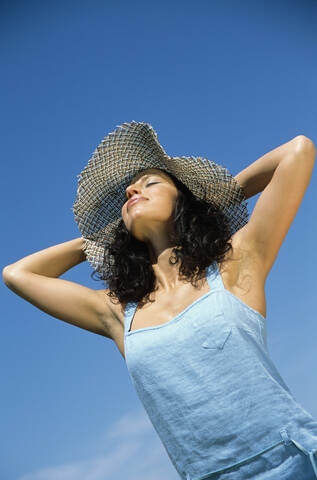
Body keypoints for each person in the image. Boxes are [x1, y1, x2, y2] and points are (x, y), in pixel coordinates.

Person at [3, 121, 317, 479]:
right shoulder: (119, 312)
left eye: (151, 183)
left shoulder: (235, 267)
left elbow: (298, 150)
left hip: (293, 461)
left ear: (183, 201)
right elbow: (17, 274)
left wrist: (206, 201)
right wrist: (100, 236)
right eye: (128, 194)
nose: (133, 190)